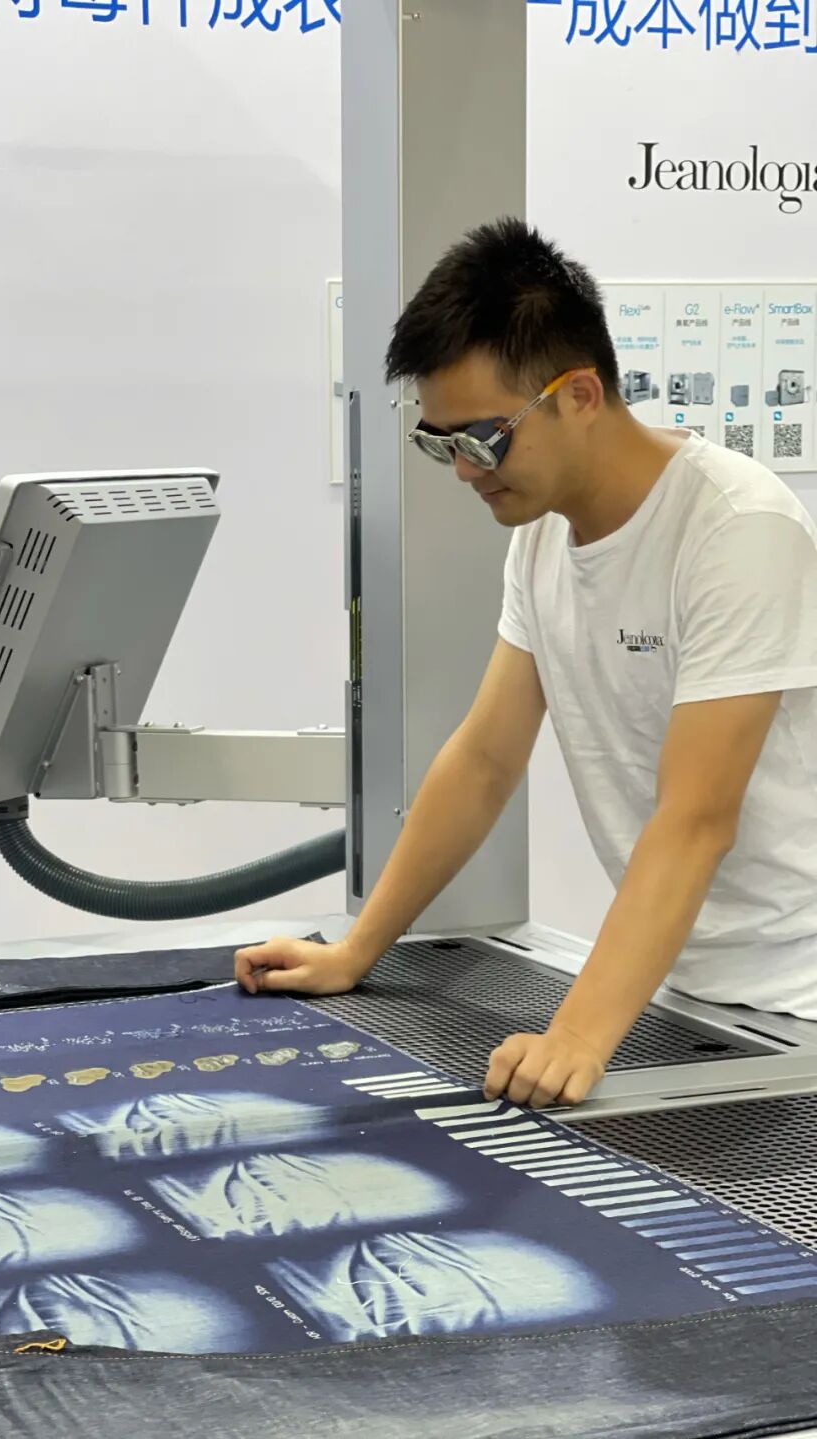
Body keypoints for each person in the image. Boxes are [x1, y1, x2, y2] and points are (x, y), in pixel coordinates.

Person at [236, 217, 817, 1108]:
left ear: (579, 394)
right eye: (440, 443)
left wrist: (577, 1035)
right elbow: (483, 760)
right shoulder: (543, 540)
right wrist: (357, 950)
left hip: (799, 998)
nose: (464, 470)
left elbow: (696, 818)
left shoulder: (737, 530)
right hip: (692, 994)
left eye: (483, 438)